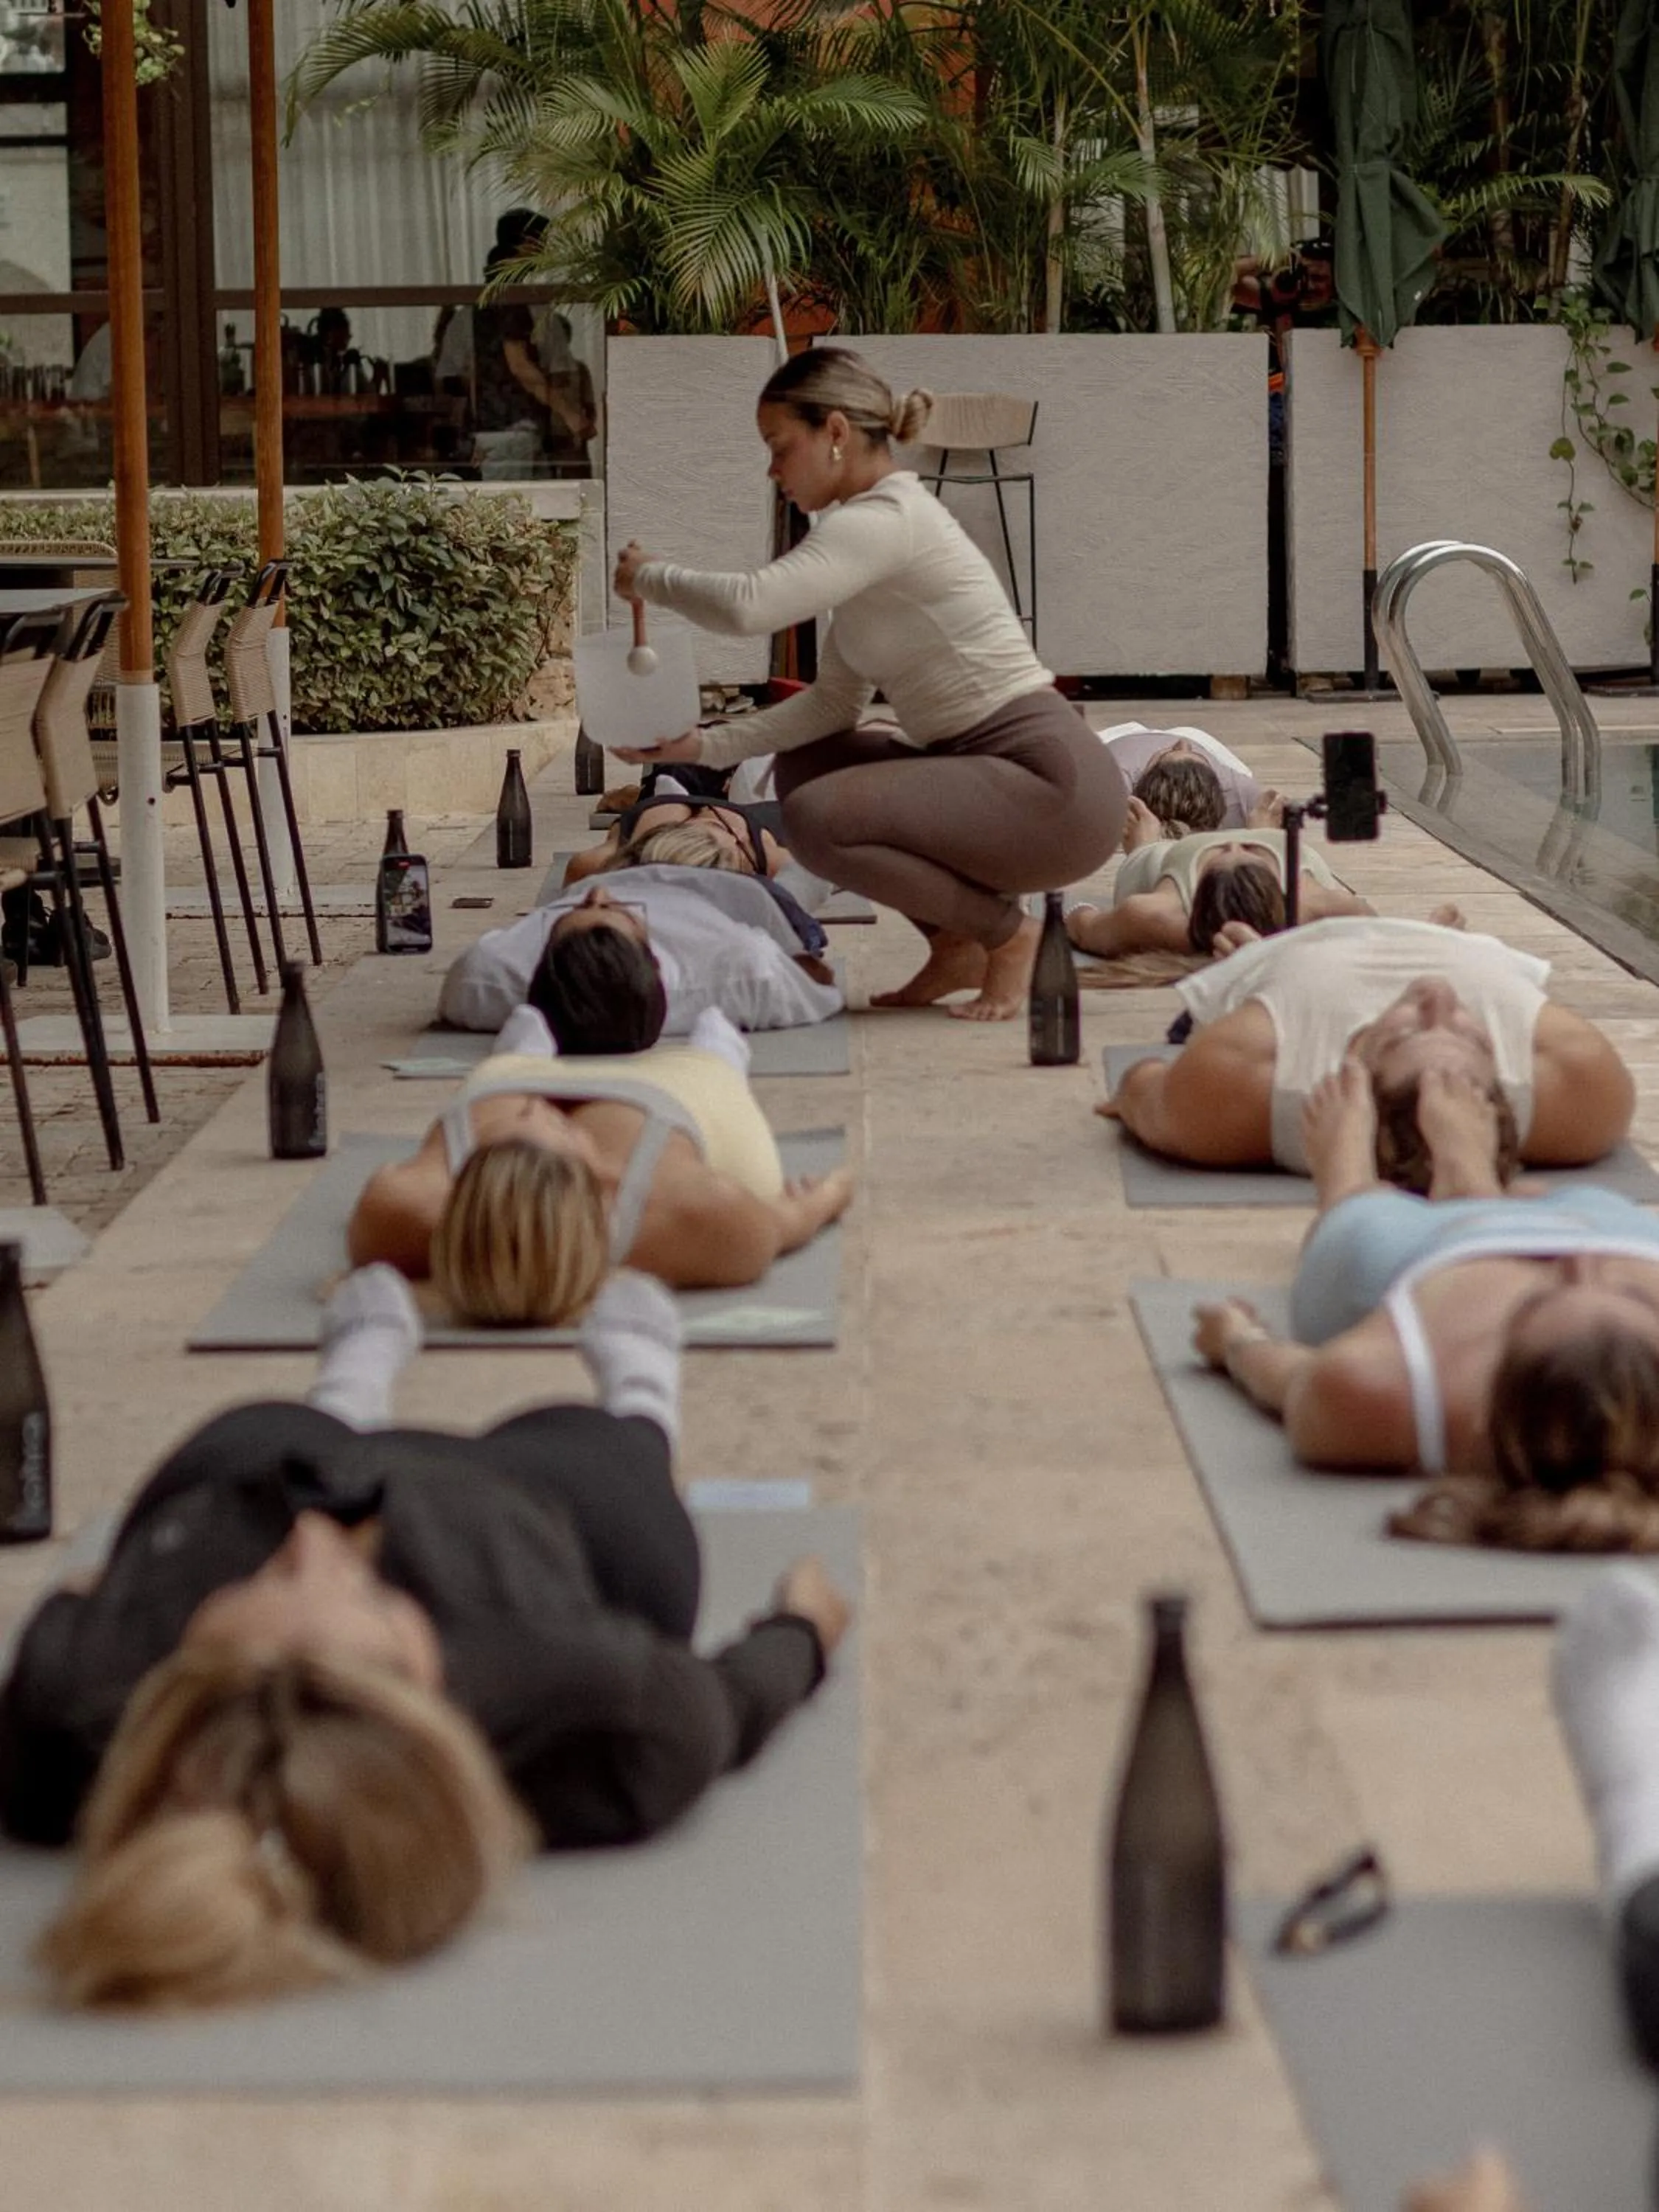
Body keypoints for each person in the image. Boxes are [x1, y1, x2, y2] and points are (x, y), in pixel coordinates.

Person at [0, 1265, 852, 2009]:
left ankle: (349, 1387)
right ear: (435, 1690)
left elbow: (74, 1601)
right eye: (372, 1595)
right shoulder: (602, 1705)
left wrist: (148, 1579)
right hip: (517, 1504)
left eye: (260, 1580)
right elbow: (733, 1701)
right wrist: (805, 1627)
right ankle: (643, 1398)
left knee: (265, 1436)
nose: (315, 1543)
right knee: (620, 1480)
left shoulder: (67, 1715)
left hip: (266, 1476)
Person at [608, 346, 1127, 1020]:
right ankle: (955, 945)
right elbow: (831, 706)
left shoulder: (883, 520)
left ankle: (1009, 936)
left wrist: (650, 577)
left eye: (779, 447)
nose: (772, 470)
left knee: (818, 817)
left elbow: (750, 607)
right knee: (807, 765)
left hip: (1054, 789)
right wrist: (701, 747)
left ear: (835, 433)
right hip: (994, 775)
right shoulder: (862, 538)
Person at [1190, 1060, 1659, 1543]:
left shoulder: (1393, 1392)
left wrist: (1235, 1340)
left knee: (1360, 1220)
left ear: (1491, 1398)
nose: (1578, 1261)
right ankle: (1472, 1176)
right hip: (1616, 1232)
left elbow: (1293, 1379)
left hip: (1427, 1255)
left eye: (1535, 1301)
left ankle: (1358, 1179)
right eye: (1639, 1298)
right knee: (1566, 1198)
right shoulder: (1593, 1259)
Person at [347, 1004, 852, 1323]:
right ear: (602, 1187)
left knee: (511, 1066)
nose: (540, 1108)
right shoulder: (699, 1213)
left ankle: (526, 1045)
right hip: (669, 1093)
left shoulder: (399, 1210)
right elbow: (790, 1218)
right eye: (559, 1129)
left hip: (504, 1083)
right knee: (714, 1059)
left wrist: (518, 1111)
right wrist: (830, 1195)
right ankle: (719, 1037)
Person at [1101, 914, 1633, 1184]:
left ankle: (1259, 950)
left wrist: (1140, 1095)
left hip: (1286, 951)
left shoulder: (1254, 1079)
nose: (1437, 994)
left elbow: (1141, 1088)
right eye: (1472, 1035)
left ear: (1353, 1073)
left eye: (1403, 1033)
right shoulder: (1576, 1087)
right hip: (1457, 943)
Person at [438, 874, 842, 1039]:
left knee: (592, 862)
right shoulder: (741, 970)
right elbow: (821, 982)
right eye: (613, 910)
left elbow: (471, 972)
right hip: (725, 879)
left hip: (612, 862)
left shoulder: (490, 977)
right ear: (655, 960)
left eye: (578, 911)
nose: (599, 896)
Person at [1064, 823, 1368, 961]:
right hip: (1275, 841)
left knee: (1149, 851)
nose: (1233, 843)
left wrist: (1075, 910)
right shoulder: (1327, 908)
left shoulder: (1158, 916)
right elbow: (1387, 948)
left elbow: (1083, 926)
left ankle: (1146, 840)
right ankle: (1262, 826)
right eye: (1246, 851)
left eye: (1223, 855)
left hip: (1172, 857)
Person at [1099, 723, 1262, 830]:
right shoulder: (1239, 787)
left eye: (1167, 754)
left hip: (1113, 738)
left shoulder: (1115, 781)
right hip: (1198, 738)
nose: (1183, 743)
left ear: (1148, 772)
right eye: (1196, 755)